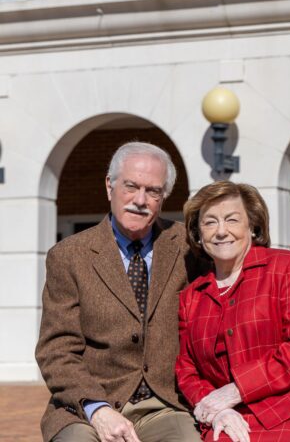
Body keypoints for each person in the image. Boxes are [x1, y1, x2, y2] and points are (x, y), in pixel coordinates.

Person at [36, 142, 201, 442]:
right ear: (109, 186)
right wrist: (97, 409)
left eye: (153, 191)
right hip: (85, 406)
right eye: (131, 186)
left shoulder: (188, 248)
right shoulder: (69, 256)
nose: (140, 200)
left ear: (163, 197)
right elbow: (56, 350)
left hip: (164, 405)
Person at [176, 181, 290, 442]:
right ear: (198, 234)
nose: (221, 231)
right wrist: (214, 408)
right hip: (229, 412)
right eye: (209, 223)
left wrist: (235, 391)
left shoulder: (287, 267)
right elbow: (186, 370)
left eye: (232, 220)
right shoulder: (191, 297)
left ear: (252, 226)